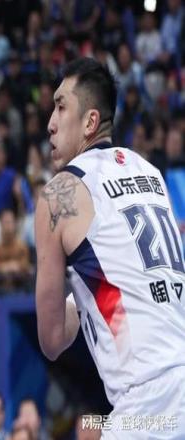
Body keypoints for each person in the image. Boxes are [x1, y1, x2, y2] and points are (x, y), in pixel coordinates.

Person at [35, 57, 185, 438]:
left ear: (90, 122)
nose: (50, 122)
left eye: (61, 106)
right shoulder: (150, 173)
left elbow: (51, 340)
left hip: (149, 405)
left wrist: (81, 299)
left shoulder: (60, 193)